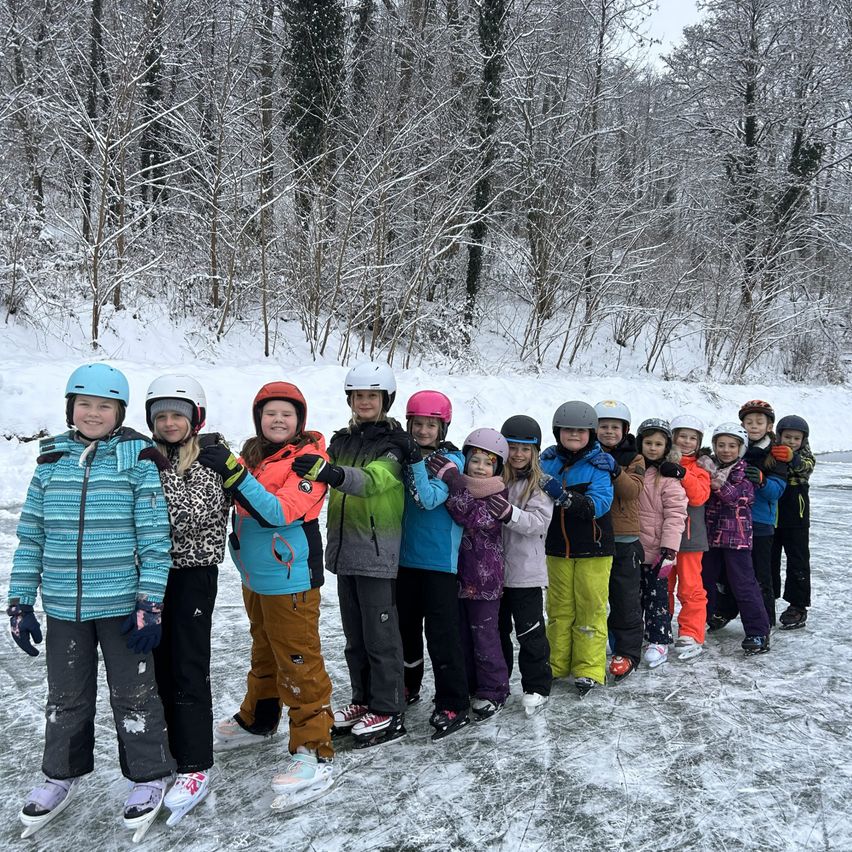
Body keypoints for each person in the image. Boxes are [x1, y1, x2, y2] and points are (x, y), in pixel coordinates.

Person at [8, 363, 175, 839]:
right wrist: (20, 600)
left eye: (104, 405)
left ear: (120, 411)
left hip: (123, 607)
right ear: (70, 408)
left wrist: (150, 602)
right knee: (64, 699)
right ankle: (61, 775)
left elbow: (155, 541)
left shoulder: (136, 461)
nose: (93, 413)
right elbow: (31, 539)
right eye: (85, 404)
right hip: (63, 609)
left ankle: (149, 775)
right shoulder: (50, 462)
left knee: (134, 697)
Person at [211, 381, 335, 804]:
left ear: (299, 420)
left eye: (287, 414)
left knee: (298, 660)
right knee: (263, 651)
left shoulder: (309, 460)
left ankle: (313, 748)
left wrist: (235, 475)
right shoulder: (255, 455)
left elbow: (280, 512)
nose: (278, 420)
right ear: (258, 420)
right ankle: (259, 720)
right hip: (255, 575)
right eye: (270, 414)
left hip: (291, 578)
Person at [293, 362, 415, 748]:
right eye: (359, 396)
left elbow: (375, 479)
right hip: (345, 551)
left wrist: (332, 473)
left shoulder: (396, 445)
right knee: (354, 636)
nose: (364, 402)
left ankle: (390, 706)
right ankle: (363, 698)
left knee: (381, 636)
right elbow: (313, 468)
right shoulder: (341, 441)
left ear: (385, 400)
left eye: (372, 396)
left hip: (378, 553)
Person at [143, 375, 227, 823]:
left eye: (178, 414)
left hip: (193, 574)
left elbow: (190, 514)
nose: (170, 422)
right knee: (154, 664)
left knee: (188, 665)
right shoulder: (147, 457)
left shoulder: (213, 457)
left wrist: (148, 480)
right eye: (161, 416)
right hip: (148, 577)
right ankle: (163, 756)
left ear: (195, 417)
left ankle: (195, 763)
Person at [396, 391, 471, 739]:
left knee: (441, 636)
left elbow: (426, 499)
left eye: (431, 425)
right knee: (405, 632)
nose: (423, 430)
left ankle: (452, 701)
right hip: (403, 559)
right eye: (418, 424)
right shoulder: (401, 454)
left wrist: (412, 460)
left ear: (442, 428)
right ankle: (409, 686)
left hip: (439, 562)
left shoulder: (450, 460)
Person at [429, 428, 512, 720]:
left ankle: (494, 689)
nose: (479, 466)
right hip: (456, 576)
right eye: (474, 460)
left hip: (485, 581)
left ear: (497, 467)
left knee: (485, 637)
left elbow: (470, 515)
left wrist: (451, 479)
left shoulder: (497, 496)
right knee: (461, 636)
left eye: (487, 462)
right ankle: (468, 684)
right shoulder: (459, 486)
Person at [539, 401, 614, 697]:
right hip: (556, 548)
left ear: (591, 434)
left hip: (593, 549)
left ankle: (588, 667)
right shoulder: (548, 461)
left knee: (590, 609)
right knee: (558, 609)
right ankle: (556, 663)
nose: (574, 435)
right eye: (568, 429)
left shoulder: (598, 465)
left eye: (580, 431)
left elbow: (600, 503)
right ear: (558, 432)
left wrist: (567, 498)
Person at [712, 400, 787, 629]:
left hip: (760, 522)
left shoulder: (775, 455)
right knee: (727, 573)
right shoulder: (734, 449)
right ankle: (725, 610)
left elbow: (777, 491)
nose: (754, 426)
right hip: (730, 524)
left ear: (769, 426)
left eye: (759, 422)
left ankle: (766, 618)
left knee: (758, 575)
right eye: (749, 422)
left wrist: (763, 481)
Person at [498, 415, 554, 716]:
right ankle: (496, 682)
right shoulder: (494, 478)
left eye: (526, 449)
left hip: (525, 575)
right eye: (513, 447)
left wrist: (508, 512)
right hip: (492, 573)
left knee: (530, 633)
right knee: (496, 631)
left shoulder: (540, 485)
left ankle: (537, 685)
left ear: (535, 452)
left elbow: (537, 523)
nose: (518, 454)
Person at [702, 423, 770, 655]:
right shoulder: (711, 468)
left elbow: (734, 497)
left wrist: (713, 479)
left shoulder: (744, 472)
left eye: (732, 445)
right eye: (721, 445)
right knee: (705, 582)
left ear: (740, 448)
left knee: (743, 584)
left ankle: (758, 631)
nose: (726, 450)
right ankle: (701, 622)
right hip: (711, 536)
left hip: (736, 538)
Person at [594, 400, 645, 682]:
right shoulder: (585, 452)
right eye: (603, 426)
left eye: (615, 427)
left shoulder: (635, 458)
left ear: (625, 430)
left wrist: (615, 470)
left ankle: (626, 651)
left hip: (624, 538)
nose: (609, 431)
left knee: (625, 597)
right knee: (593, 597)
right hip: (592, 536)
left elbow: (632, 492)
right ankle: (591, 648)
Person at [635, 419, 688, 669]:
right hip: (633, 548)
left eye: (658, 444)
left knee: (657, 597)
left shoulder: (669, 477)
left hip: (659, 551)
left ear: (666, 447)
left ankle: (659, 639)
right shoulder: (633, 469)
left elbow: (676, 514)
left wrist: (669, 547)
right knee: (632, 597)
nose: (653, 448)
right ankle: (635, 635)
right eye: (648, 443)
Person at [668, 414, 712, 660]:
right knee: (660, 586)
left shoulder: (701, 468)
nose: (686, 441)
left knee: (690, 587)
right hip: (663, 538)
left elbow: (699, 496)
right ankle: (659, 626)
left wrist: (682, 473)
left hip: (690, 540)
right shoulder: (660, 463)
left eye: (692, 438)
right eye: (682, 436)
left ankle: (692, 632)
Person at [772, 415, 816, 630]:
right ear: (779, 436)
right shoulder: (771, 452)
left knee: (797, 560)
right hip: (770, 515)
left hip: (796, 516)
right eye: (787, 437)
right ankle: (767, 599)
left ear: (803, 440)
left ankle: (797, 605)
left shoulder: (805, 456)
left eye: (796, 438)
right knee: (767, 560)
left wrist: (792, 458)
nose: (791, 441)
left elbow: (806, 467)